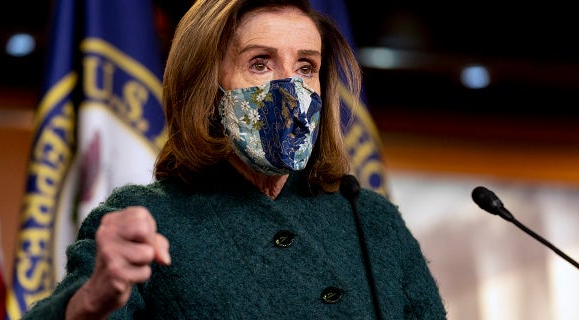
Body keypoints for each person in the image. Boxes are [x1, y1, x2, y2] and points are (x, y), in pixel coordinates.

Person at [22, 0, 447, 318]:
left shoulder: (372, 219)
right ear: (206, 85)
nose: (290, 88)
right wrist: (91, 299)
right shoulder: (151, 218)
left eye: (305, 67)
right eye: (260, 64)